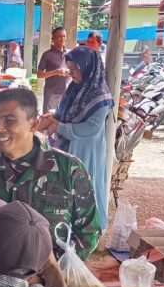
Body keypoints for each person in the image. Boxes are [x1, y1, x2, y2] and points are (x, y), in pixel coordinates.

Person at [0, 88, 100, 276]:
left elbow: (88, 231)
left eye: (9, 121)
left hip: (50, 285)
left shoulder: (69, 170)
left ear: (34, 124)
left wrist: (51, 275)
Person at [39, 46, 113, 229]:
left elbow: (92, 128)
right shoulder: (74, 88)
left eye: (75, 69)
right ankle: (65, 228)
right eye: (70, 69)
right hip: (67, 146)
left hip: (86, 151)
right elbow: (65, 112)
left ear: (88, 68)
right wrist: (53, 116)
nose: (71, 74)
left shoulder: (100, 95)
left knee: (84, 188)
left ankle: (88, 230)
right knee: (65, 189)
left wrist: (60, 126)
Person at [37, 26, 71, 112]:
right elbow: (39, 74)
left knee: (63, 118)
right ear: (53, 39)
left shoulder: (70, 53)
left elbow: (76, 71)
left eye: (64, 36)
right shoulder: (47, 55)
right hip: (51, 93)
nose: (62, 39)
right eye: (59, 36)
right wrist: (56, 72)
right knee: (48, 117)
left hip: (66, 93)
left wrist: (70, 72)